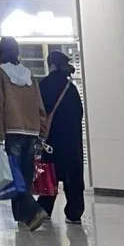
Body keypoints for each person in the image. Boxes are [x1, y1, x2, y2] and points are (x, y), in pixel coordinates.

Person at [0, 37, 47, 231]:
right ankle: (24, 219)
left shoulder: (0, 75)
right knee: (25, 175)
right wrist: (42, 132)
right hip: (31, 132)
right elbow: (40, 106)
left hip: (12, 132)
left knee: (15, 178)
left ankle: (33, 211)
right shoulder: (29, 75)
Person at [37, 50, 86, 226]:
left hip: (51, 142)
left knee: (49, 176)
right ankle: (74, 213)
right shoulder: (70, 88)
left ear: (51, 65)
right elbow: (79, 114)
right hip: (72, 142)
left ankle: (44, 210)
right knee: (73, 178)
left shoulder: (42, 86)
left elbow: (39, 113)